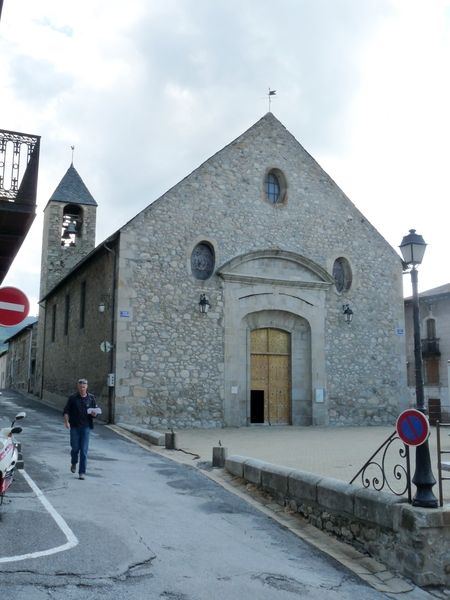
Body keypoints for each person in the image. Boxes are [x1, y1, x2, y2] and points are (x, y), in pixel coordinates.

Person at [63, 378, 98, 480]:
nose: (82, 389)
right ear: (78, 387)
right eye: (80, 387)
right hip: (74, 427)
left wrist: (94, 414)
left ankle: (82, 472)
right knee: (75, 448)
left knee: (84, 450)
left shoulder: (91, 398)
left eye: (84, 387)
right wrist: (66, 422)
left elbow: (95, 412)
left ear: (86, 387)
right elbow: (66, 411)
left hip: (86, 428)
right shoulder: (73, 398)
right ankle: (74, 462)